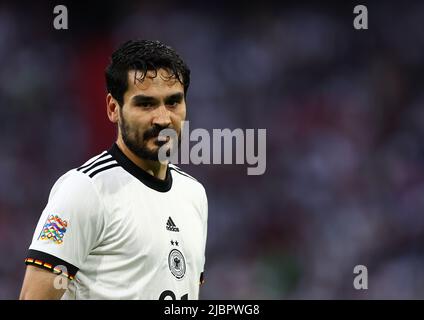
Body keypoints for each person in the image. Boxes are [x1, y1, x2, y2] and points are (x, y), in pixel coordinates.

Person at [19, 40, 208, 300]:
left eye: (173, 102)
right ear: (113, 109)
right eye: (146, 104)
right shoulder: (86, 189)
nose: (163, 119)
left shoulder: (193, 194)